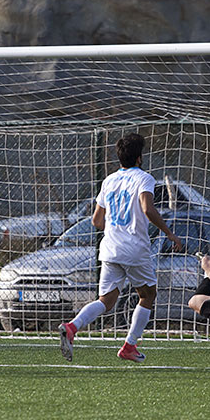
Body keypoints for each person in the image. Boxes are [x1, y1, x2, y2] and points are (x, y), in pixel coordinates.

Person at [58, 133, 183, 363]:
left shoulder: (109, 180)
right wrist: (169, 233)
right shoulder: (144, 178)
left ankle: (72, 326)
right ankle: (129, 345)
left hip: (109, 249)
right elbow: (147, 208)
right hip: (134, 249)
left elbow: (96, 220)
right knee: (148, 294)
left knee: (106, 301)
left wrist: (116, 228)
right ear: (139, 158)